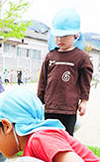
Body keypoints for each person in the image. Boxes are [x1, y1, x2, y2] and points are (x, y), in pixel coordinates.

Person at [37, 7, 93, 136]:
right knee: (48, 136)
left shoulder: (81, 57)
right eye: (57, 36)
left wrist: (83, 101)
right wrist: (39, 101)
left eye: (65, 36)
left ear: (76, 35)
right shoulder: (50, 56)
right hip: (49, 106)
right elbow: (43, 81)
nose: (60, 40)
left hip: (68, 108)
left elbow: (85, 81)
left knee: (66, 137)